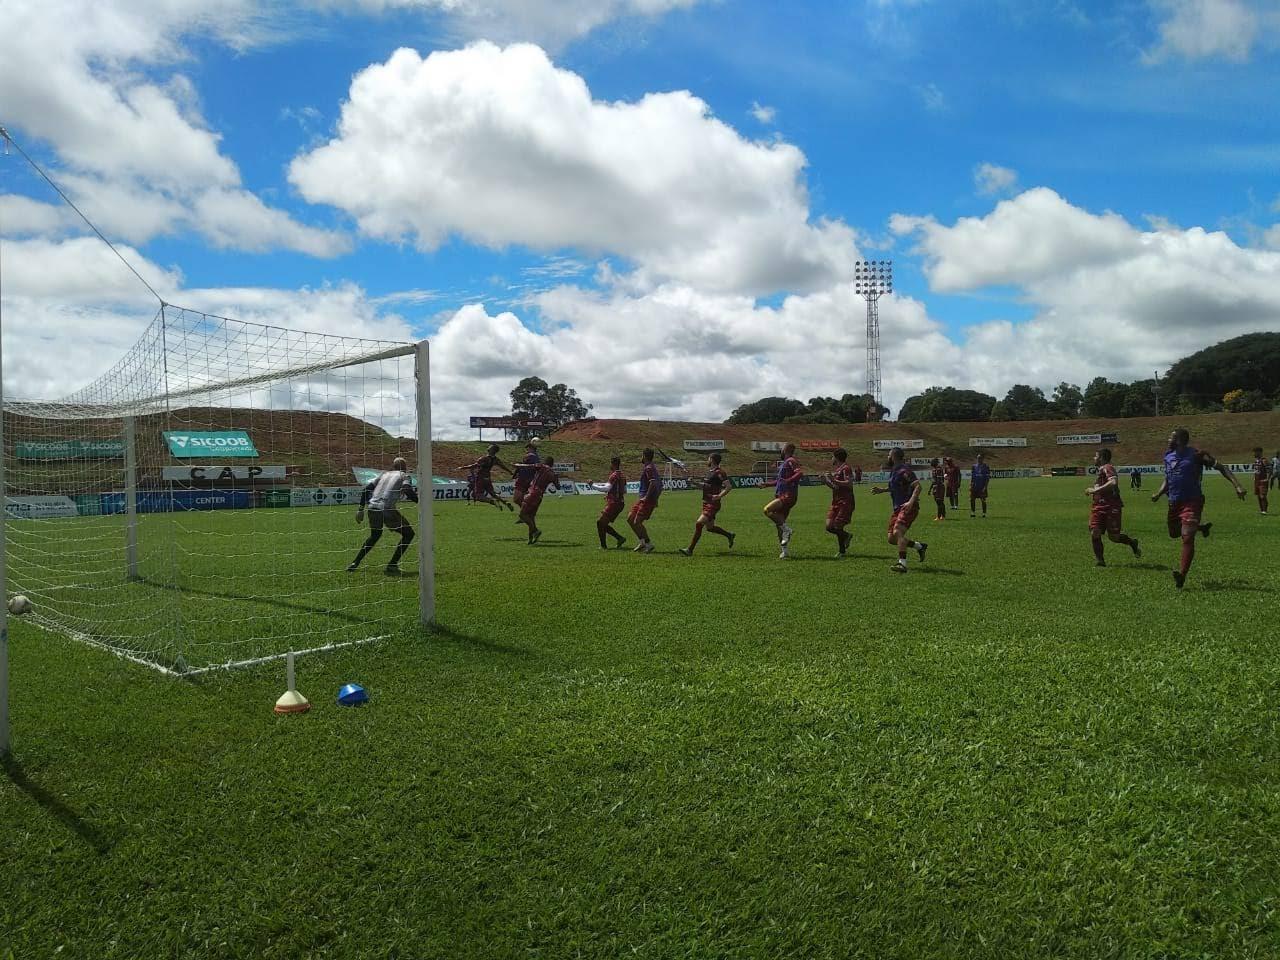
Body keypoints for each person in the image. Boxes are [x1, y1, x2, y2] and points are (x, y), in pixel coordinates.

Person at [1150, 428, 1246, 590]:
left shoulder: (1197, 455)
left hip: (1192, 501)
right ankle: (1200, 527)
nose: (1168, 439)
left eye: (1171, 437)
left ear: (1180, 439)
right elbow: (1169, 477)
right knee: (1174, 533)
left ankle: (1182, 574)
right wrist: (1159, 493)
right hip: (1174, 502)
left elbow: (1222, 467)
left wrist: (1238, 486)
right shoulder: (1168, 455)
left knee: (1187, 537)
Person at [347, 456, 418, 575]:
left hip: (372, 507)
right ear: (405, 467)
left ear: (393, 466)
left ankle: (355, 562)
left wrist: (360, 510)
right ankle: (392, 565)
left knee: (375, 535)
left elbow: (366, 490)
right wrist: (419, 501)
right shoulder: (405, 476)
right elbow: (407, 489)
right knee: (409, 534)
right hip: (386, 508)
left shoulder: (383, 475)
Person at [871, 447, 928, 574]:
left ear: (893, 457)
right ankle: (920, 546)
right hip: (898, 508)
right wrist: (883, 490)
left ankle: (902, 564)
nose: (887, 457)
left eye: (888, 455)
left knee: (898, 532)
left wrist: (911, 502)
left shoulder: (904, 470)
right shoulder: (894, 471)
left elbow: (918, 486)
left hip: (908, 507)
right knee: (892, 539)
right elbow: (896, 487)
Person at [1085, 448, 1141, 567]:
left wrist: (1095, 490)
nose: (1093, 458)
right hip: (1098, 507)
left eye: (1095, 456)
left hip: (1111, 506)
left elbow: (1113, 482)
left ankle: (1132, 543)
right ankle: (1100, 561)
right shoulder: (1100, 470)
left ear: (1101, 457)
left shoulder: (1107, 467)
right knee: (1095, 532)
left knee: (1114, 537)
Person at [679, 453, 735, 556]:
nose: (707, 460)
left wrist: (719, 496)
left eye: (708, 458)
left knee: (699, 523)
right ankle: (729, 535)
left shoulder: (720, 472)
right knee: (710, 528)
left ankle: (690, 550)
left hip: (713, 504)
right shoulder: (710, 472)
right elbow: (705, 486)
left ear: (712, 460)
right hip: (706, 502)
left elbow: (728, 486)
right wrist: (694, 483)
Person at [763, 442, 803, 559]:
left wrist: (789, 480)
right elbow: (779, 481)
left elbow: (799, 473)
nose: (781, 450)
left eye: (782, 448)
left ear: (786, 450)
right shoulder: (784, 463)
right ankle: (784, 552)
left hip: (787, 495)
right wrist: (766, 484)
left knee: (767, 510)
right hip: (782, 495)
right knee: (779, 525)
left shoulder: (791, 460)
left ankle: (788, 530)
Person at [517, 455, 561, 545]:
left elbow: (530, 466)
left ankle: (536, 531)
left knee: (522, 515)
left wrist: (518, 465)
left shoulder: (541, 466)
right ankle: (530, 539)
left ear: (545, 462)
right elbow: (558, 487)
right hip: (539, 496)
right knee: (531, 517)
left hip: (532, 493)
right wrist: (556, 478)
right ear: (552, 464)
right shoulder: (552, 473)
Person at [820, 448, 854, 557]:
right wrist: (826, 482)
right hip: (836, 502)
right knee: (829, 526)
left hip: (845, 501)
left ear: (836, 457)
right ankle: (846, 536)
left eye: (832, 456)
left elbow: (849, 483)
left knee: (838, 526)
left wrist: (833, 480)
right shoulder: (838, 470)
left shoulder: (846, 468)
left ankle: (841, 551)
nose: (831, 459)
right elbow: (835, 487)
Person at [628, 448, 662, 553]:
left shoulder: (649, 468)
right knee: (630, 518)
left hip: (646, 500)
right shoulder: (650, 467)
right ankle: (642, 542)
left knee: (637, 522)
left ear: (644, 456)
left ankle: (648, 544)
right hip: (643, 499)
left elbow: (653, 483)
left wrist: (648, 498)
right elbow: (660, 485)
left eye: (642, 455)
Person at [461, 444, 514, 511]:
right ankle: (505, 502)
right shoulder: (496, 459)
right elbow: (503, 466)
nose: (488, 447)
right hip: (488, 478)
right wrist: (510, 472)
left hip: (480, 477)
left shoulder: (484, 458)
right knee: (493, 493)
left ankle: (493, 502)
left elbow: (475, 465)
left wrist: (463, 467)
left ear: (491, 450)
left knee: (478, 496)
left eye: (490, 447)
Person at [596, 456, 628, 549]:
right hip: (620, 503)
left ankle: (604, 546)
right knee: (602, 523)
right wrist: (611, 494)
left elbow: (606, 488)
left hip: (614, 504)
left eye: (611, 463)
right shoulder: (622, 475)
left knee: (600, 522)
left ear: (613, 464)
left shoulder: (613, 475)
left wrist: (592, 485)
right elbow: (625, 490)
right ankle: (619, 538)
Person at [511, 441, 540, 510]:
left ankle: (527, 510)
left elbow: (534, 466)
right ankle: (527, 510)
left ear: (531, 448)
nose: (526, 450)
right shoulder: (535, 456)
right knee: (519, 499)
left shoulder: (531, 456)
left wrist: (517, 465)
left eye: (527, 449)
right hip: (528, 480)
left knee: (516, 499)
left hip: (523, 479)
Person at [970, 452, 991, 518]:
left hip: (982, 486)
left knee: (983, 500)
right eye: (978, 458)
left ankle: (984, 513)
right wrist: (971, 485)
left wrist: (985, 487)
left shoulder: (986, 467)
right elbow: (972, 477)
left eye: (980, 458)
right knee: (972, 499)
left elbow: (987, 478)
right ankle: (973, 512)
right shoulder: (974, 466)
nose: (979, 459)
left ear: (983, 459)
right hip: (975, 486)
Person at [1252, 446, 1270, 515]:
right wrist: (1254, 478)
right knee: (1259, 496)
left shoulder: (1264, 460)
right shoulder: (1256, 461)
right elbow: (1256, 470)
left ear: (1259, 452)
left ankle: (1265, 511)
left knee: (1263, 496)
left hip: (1263, 480)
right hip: (1257, 481)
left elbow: (1269, 470)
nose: (1254, 454)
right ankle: (1262, 510)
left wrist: (1267, 478)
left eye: (1255, 452)